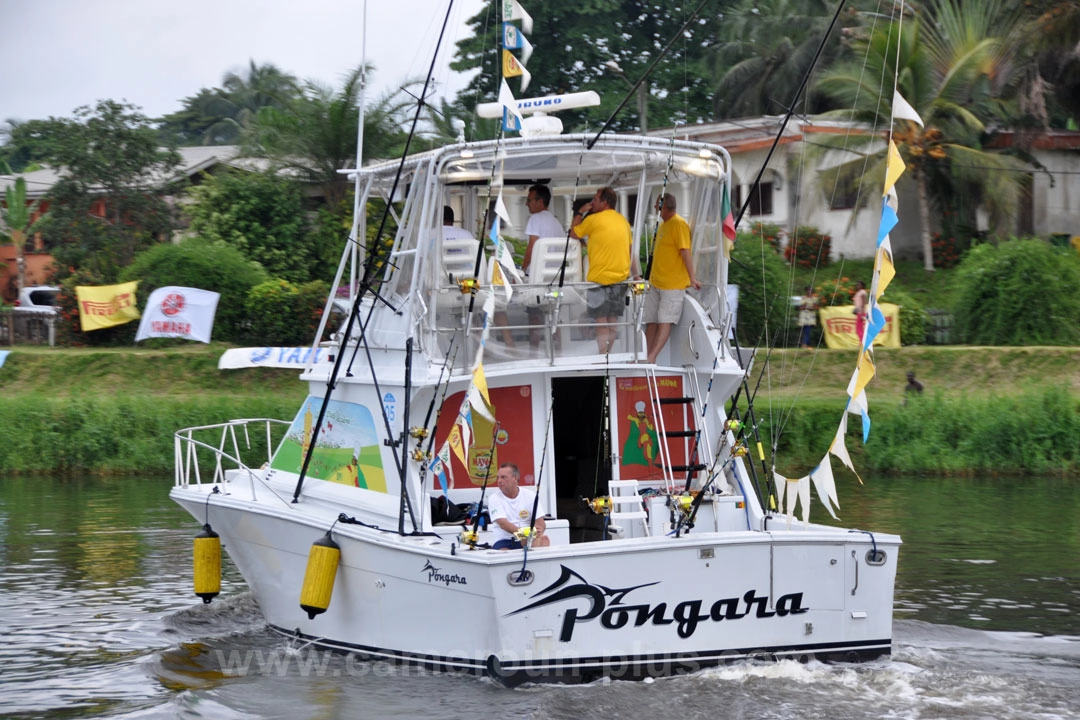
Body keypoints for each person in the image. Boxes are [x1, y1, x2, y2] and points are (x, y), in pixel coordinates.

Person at [571, 186, 634, 354]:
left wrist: (579, 212)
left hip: (599, 278)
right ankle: (608, 354)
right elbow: (629, 250)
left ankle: (602, 355)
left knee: (601, 321)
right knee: (612, 321)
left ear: (604, 202)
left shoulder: (594, 220)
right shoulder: (624, 222)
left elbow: (573, 233)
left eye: (595, 200)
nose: (593, 203)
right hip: (621, 278)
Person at [644, 193, 701, 364]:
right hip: (656, 283)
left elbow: (685, 252)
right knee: (651, 321)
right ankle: (644, 356)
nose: (655, 209)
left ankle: (652, 357)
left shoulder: (678, 224)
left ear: (664, 207)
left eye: (657, 206)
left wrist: (692, 279)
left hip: (672, 285)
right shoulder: (663, 225)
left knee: (665, 321)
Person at [487, 463, 550, 550]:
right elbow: (503, 524)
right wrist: (524, 534)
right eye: (498, 477)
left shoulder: (530, 495)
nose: (499, 481)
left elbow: (540, 522)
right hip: (504, 541)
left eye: (503, 477)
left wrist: (538, 531)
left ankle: (535, 560)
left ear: (515, 478)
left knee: (544, 540)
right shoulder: (494, 498)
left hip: (527, 539)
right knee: (504, 552)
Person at [521, 184, 565, 275]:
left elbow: (532, 246)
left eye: (529, 200)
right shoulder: (557, 224)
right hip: (555, 276)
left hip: (536, 276)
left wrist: (522, 269)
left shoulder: (535, 218)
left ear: (540, 202)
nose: (526, 204)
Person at [798, 285, 819, 350]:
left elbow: (815, 307)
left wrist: (807, 306)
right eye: (808, 290)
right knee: (806, 330)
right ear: (806, 291)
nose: (809, 291)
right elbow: (800, 307)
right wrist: (806, 306)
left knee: (808, 330)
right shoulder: (803, 298)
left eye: (811, 290)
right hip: (804, 316)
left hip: (811, 316)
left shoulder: (814, 298)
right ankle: (807, 344)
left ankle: (804, 344)